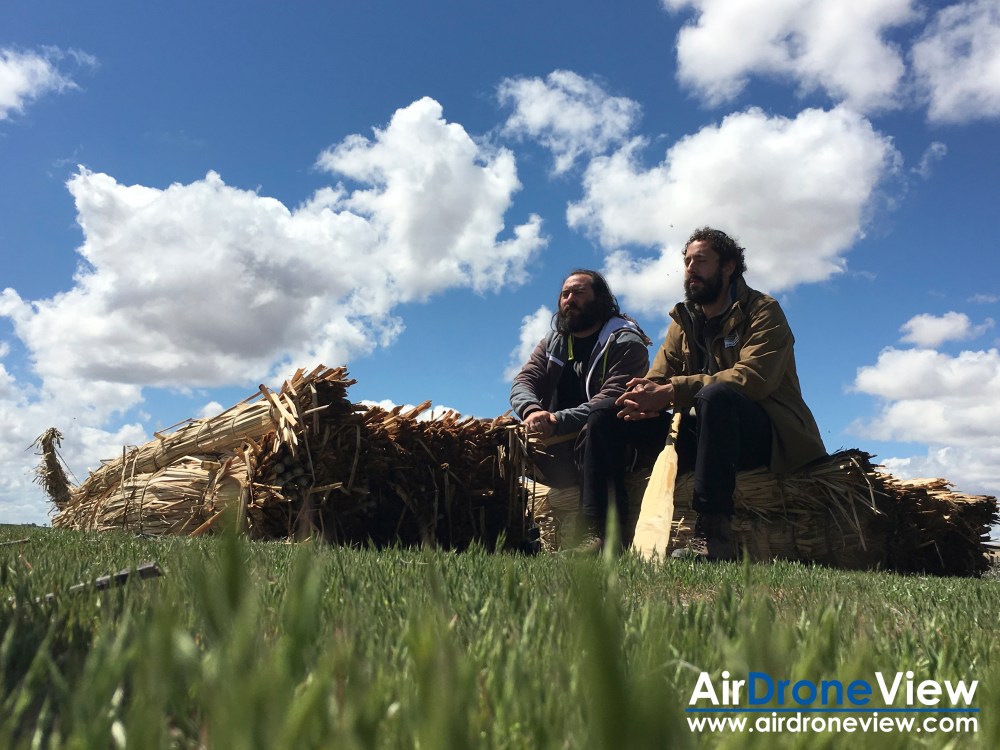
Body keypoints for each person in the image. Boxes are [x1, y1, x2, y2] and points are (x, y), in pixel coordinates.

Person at [614, 227, 827, 560]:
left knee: (715, 397)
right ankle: (598, 532)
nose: (690, 268)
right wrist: (641, 395)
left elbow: (753, 378)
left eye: (700, 260)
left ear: (728, 267)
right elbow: (659, 375)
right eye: (686, 261)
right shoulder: (683, 322)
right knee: (609, 417)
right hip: (704, 437)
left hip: (761, 434)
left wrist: (671, 391)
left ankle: (713, 537)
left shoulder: (763, 311)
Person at [510, 269, 650, 549]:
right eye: (565, 294)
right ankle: (511, 534)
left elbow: (614, 397)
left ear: (601, 299)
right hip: (559, 444)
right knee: (505, 443)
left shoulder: (624, 340)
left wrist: (555, 419)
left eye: (579, 293)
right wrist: (531, 410)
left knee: (599, 422)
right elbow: (524, 381)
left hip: (611, 443)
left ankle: (600, 535)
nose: (569, 299)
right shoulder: (553, 342)